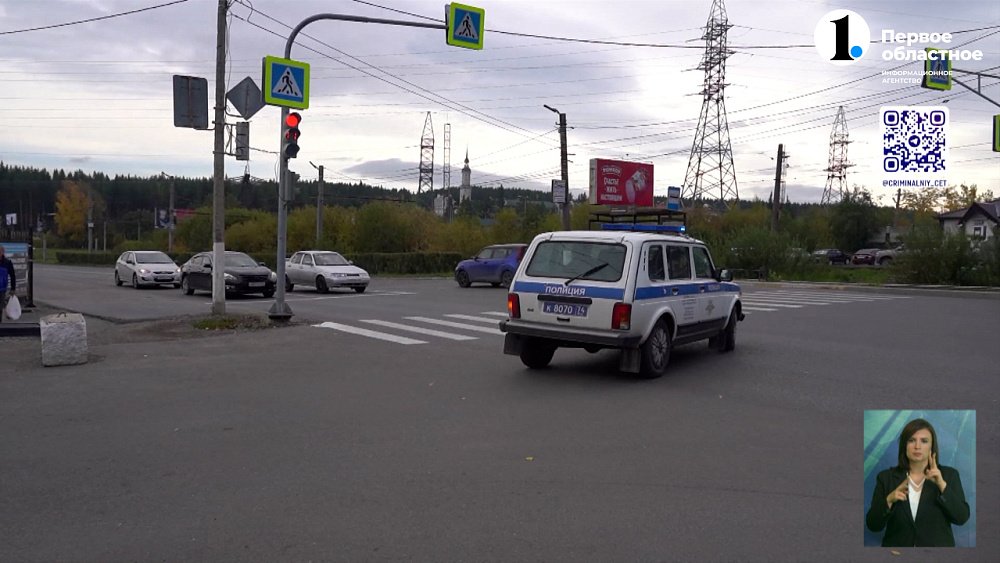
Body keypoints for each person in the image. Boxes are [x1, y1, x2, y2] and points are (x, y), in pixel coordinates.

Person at [865, 418, 970, 547]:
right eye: (911, 440)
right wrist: (889, 499)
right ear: (904, 445)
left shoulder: (949, 475)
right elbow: (873, 525)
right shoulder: (886, 478)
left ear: (932, 446)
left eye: (924, 441)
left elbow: (961, 518)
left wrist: (941, 484)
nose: (917, 446)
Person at [0, 245, 15, 322]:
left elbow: (12, 276)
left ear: (2, 252)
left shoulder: (7, 263)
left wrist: (13, 288)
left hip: (2, 289)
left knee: (0, 307)